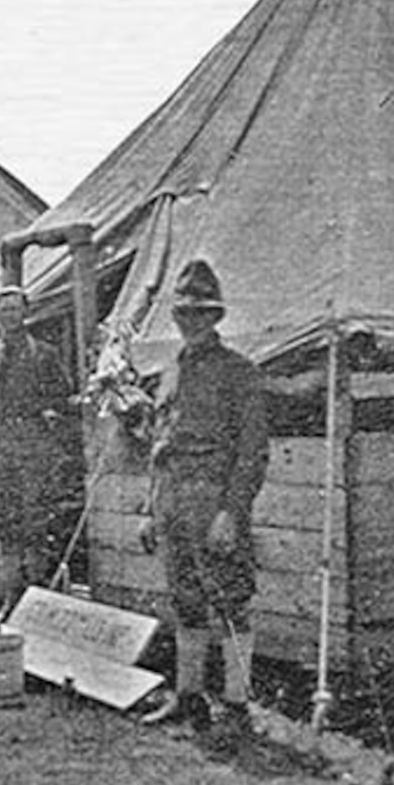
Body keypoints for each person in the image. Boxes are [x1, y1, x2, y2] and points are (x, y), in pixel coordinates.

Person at [137, 259, 269, 743]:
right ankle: (188, 698)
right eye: (183, 312)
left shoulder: (239, 372)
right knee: (185, 600)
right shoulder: (169, 372)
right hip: (173, 499)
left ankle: (237, 706)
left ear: (216, 317)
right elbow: (159, 446)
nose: (189, 320)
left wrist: (231, 514)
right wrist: (151, 510)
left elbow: (253, 453)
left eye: (200, 313)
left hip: (213, 501)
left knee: (232, 600)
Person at [0, 286, 82, 612]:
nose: (10, 316)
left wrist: (49, 420)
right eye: (4, 310)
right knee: (6, 524)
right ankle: (11, 597)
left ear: (26, 313)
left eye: (16, 310)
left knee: (35, 523)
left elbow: (63, 399)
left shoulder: (43, 354)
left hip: (32, 445)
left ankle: (36, 599)